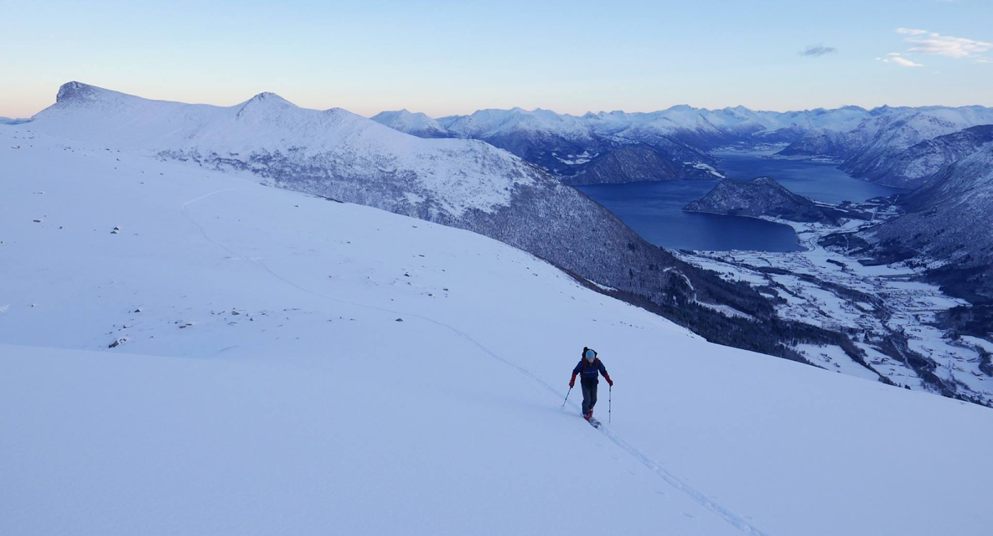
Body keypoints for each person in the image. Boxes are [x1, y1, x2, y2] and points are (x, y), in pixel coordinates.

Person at [569, 347, 613, 421]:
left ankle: (590, 409)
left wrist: (608, 380)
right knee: (587, 399)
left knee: (594, 399)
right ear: (586, 358)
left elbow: (603, 371)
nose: (591, 360)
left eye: (592, 358)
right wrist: (572, 381)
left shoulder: (597, 362)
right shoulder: (582, 363)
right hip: (585, 382)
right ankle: (585, 413)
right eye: (589, 359)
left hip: (594, 382)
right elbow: (575, 371)